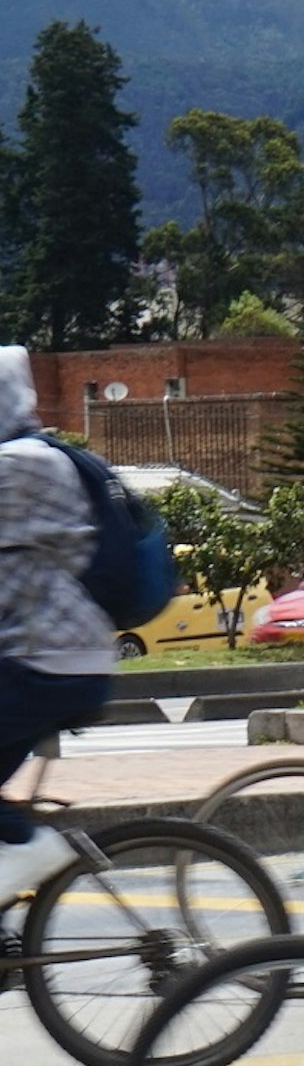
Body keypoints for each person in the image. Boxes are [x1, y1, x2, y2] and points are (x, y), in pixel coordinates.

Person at [0, 347, 113, 907]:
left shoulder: (19, 464)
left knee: (13, 835)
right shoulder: (31, 457)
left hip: (49, 660)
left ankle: (30, 847)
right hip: (49, 655)